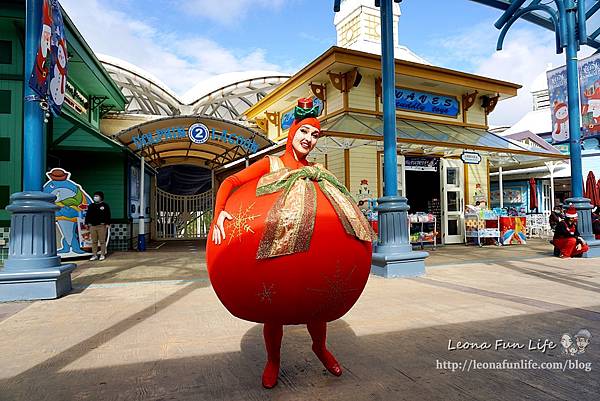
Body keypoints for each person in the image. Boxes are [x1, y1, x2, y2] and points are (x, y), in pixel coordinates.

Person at [209, 98, 373, 389]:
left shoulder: (318, 172)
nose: (309, 139)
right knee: (275, 311)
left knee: (318, 304)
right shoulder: (271, 163)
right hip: (275, 259)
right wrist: (219, 212)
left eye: (315, 135)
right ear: (292, 133)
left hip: (316, 262)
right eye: (304, 132)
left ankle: (319, 348)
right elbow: (231, 182)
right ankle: (273, 360)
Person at [85, 191, 111, 261]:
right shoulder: (91, 206)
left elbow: (108, 215)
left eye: (97, 196)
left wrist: (108, 223)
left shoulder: (105, 206)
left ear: (101, 197)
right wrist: (87, 223)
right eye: (95, 196)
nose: (95, 197)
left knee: (102, 241)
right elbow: (88, 215)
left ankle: (102, 254)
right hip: (92, 226)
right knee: (94, 241)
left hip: (102, 226)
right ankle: (94, 255)